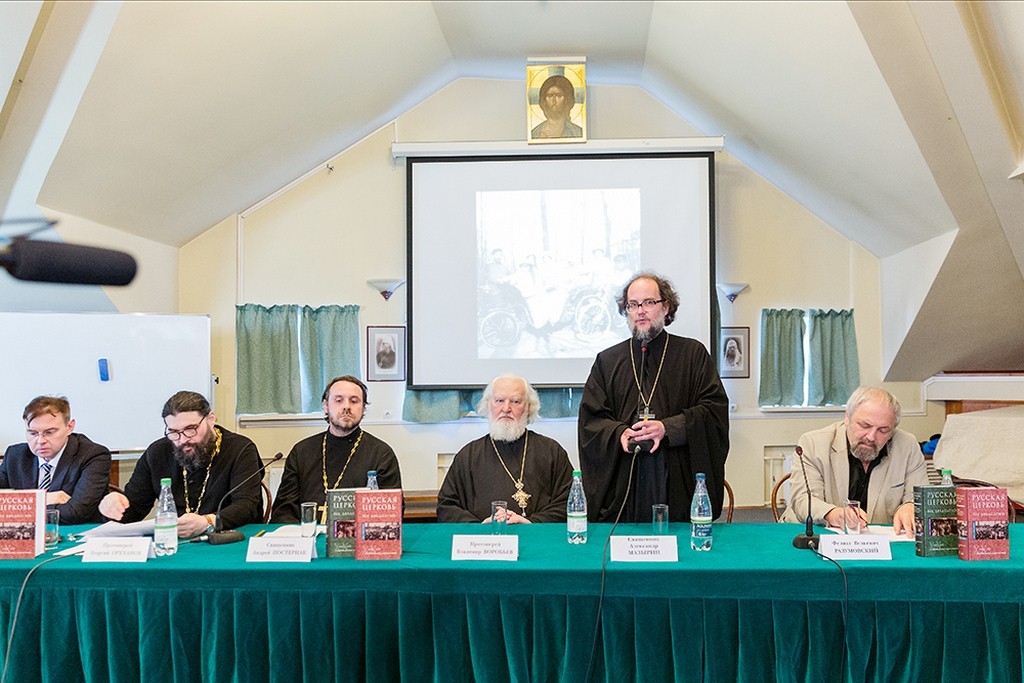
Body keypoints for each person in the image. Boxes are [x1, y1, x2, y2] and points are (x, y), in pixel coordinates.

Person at [578, 272, 730, 523]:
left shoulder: (692, 354)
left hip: (677, 480)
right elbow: (591, 420)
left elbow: (714, 411)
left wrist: (668, 428)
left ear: (666, 307)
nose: (640, 311)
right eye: (632, 305)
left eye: (648, 302)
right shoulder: (608, 361)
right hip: (625, 483)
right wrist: (619, 433)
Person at [99, 391, 263, 536]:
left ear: (211, 419)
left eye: (191, 429)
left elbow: (246, 507)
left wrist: (208, 521)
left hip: (228, 539)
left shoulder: (240, 449)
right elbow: (134, 509)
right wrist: (113, 506)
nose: (183, 440)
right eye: (174, 432)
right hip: (175, 542)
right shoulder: (157, 452)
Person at [782, 386, 927, 536]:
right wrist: (833, 514)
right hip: (810, 535)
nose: (871, 437)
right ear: (847, 417)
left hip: (880, 540)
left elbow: (920, 496)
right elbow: (803, 500)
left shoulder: (907, 445)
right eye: (865, 426)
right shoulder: (813, 443)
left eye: (883, 430)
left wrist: (910, 506)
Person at [437, 374, 574, 523]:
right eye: (499, 401)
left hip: (537, 536)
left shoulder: (552, 452)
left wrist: (531, 523)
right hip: (485, 537)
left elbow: (569, 503)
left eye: (515, 401)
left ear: (528, 408)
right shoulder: (468, 456)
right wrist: (480, 527)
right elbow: (447, 507)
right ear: (488, 405)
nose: (506, 408)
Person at [270, 375, 402, 524]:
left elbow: (391, 513)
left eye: (354, 401)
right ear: (326, 406)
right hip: (307, 535)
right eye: (339, 400)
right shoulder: (301, 452)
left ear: (363, 408)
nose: (346, 407)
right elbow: (283, 511)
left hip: (357, 536)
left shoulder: (381, 454)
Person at [0, 396, 110, 524]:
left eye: (49, 432)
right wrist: (44, 499)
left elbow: (76, 513)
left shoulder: (93, 455)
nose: (40, 441)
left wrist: (16, 509)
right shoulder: (15, 456)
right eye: (33, 433)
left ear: (69, 427)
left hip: (77, 533)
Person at [530, 74, 583, 139]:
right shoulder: (535, 133)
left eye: (559, 95)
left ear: (566, 100)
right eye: (550, 95)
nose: (554, 100)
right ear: (544, 101)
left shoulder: (577, 133)